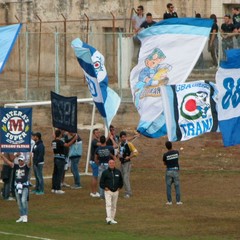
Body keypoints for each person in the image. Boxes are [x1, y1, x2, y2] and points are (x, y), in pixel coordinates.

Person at [0, 154, 31, 223]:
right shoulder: (16, 166)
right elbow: (8, 162)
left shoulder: (26, 167)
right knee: (19, 203)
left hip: (24, 187)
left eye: (21, 160)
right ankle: (21, 216)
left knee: (23, 200)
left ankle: (25, 216)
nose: (20, 162)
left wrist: (31, 156)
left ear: (24, 161)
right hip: (17, 187)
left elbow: (30, 163)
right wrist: (2, 156)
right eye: (19, 160)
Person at [51, 129, 77, 194]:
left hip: (56, 157)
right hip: (60, 158)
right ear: (59, 135)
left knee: (55, 174)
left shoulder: (53, 141)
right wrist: (74, 139)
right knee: (59, 174)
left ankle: (54, 188)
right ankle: (58, 188)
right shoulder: (59, 141)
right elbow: (67, 145)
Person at [100, 159, 123, 225]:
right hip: (108, 191)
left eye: (113, 163)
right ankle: (108, 218)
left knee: (114, 205)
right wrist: (105, 188)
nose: (111, 164)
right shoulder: (105, 172)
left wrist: (119, 187)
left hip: (116, 191)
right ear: (108, 164)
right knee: (108, 204)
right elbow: (101, 182)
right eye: (110, 163)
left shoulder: (118, 172)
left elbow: (121, 181)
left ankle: (112, 218)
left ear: (114, 164)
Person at [118, 131, 138, 198]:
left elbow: (136, 152)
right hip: (122, 163)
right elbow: (118, 152)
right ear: (120, 138)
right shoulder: (120, 144)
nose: (123, 138)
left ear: (126, 137)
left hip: (127, 163)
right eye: (122, 137)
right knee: (121, 177)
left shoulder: (129, 144)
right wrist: (119, 155)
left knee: (126, 178)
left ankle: (128, 193)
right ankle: (123, 190)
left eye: (124, 137)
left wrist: (129, 157)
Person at [163, 141, 182, 205]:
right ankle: (178, 201)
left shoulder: (165, 155)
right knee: (177, 186)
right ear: (171, 145)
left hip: (169, 171)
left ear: (166, 147)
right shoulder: (176, 152)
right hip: (176, 170)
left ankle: (169, 201)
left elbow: (164, 163)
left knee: (168, 187)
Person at [89, 128, 101, 197]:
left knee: (96, 176)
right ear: (94, 134)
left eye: (99, 132)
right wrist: (109, 138)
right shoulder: (94, 141)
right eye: (96, 133)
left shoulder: (96, 140)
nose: (98, 134)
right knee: (95, 177)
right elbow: (101, 144)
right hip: (94, 161)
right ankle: (93, 192)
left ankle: (94, 191)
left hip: (96, 161)